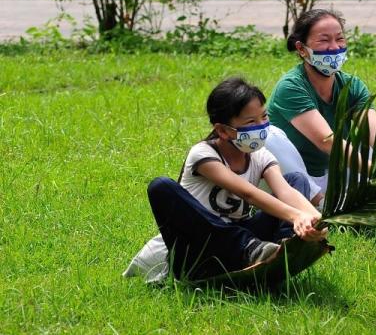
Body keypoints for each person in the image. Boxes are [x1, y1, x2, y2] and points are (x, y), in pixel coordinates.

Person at [127, 77, 326, 284]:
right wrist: (296, 215)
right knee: (161, 187)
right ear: (222, 130)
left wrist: (315, 220)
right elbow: (248, 193)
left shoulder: (260, 154)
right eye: (250, 122)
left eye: (264, 117)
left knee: (295, 180)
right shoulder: (202, 154)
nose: (261, 126)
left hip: (241, 241)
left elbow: (285, 191)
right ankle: (256, 254)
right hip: (199, 249)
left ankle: (285, 252)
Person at [266, 9, 376, 203]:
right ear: (301, 49)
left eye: (340, 39)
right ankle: (317, 202)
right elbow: (327, 141)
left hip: (335, 174)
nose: (334, 47)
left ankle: (353, 200)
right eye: (324, 40)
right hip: (295, 179)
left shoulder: (352, 85)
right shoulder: (291, 87)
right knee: (269, 137)